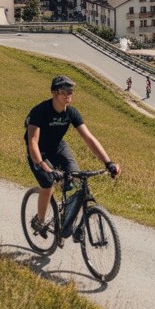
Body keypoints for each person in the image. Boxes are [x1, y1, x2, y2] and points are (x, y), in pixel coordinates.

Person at [25, 75, 120, 231]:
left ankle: (68, 217)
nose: (68, 95)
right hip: (39, 151)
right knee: (48, 184)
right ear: (54, 93)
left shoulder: (71, 113)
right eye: (64, 91)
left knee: (76, 178)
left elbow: (89, 138)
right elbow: (33, 142)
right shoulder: (40, 111)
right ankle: (40, 221)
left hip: (57, 146)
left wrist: (108, 162)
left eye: (70, 91)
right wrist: (42, 165)